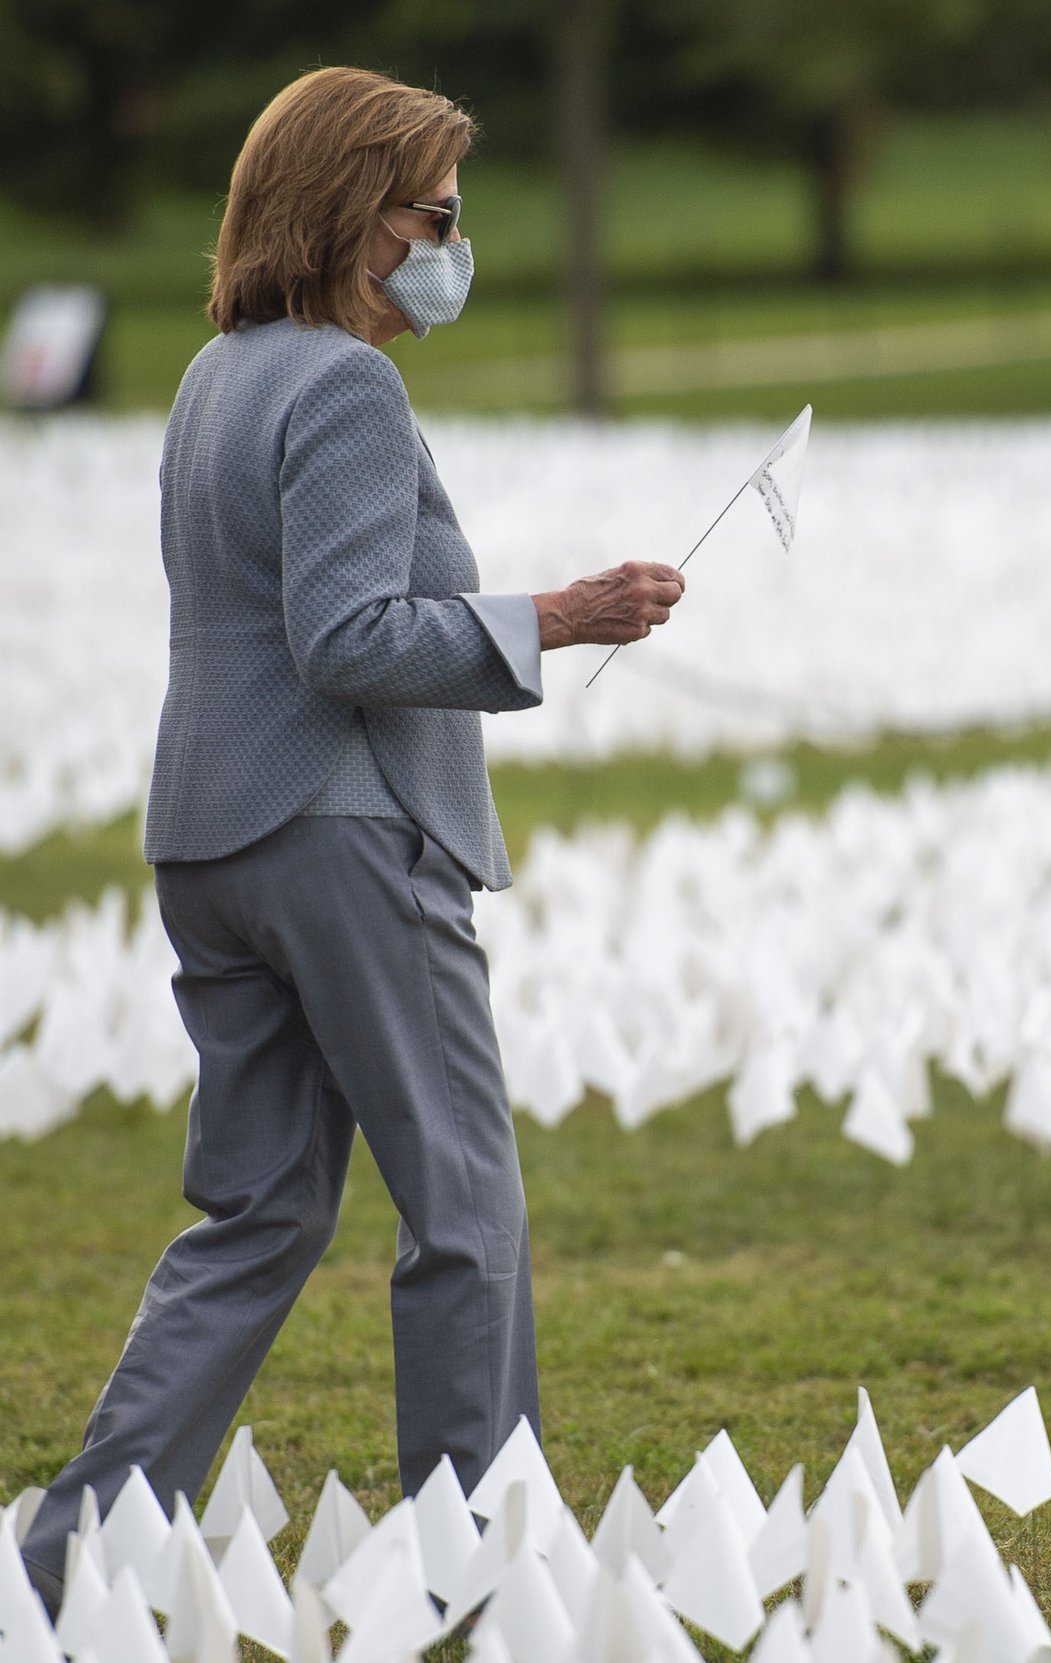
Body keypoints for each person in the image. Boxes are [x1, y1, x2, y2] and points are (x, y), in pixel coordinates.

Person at [17, 65, 686, 1608]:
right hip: (342, 840)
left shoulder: (214, 377)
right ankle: (473, 1564)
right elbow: (348, 640)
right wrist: (560, 619)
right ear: (349, 222)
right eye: (436, 215)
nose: (456, 241)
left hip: (210, 839)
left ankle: (68, 1562)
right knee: (463, 1200)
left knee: (257, 1217)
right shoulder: (344, 388)